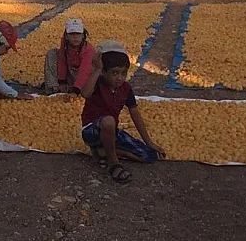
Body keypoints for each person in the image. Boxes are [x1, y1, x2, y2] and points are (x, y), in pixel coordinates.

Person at [80, 40, 166, 184]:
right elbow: (85, 94)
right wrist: (96, 70)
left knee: (149, 156)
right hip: (91, 131)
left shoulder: (125, 89)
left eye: (123, 73)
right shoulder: (97, 83)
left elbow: (135, 114)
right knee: (108, 121)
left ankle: (103, 151)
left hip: (111, 131)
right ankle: (113, 163)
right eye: (114, 73)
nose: (119, 78)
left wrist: (149, 142)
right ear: (104, 72)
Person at [44, 19, 95, 95]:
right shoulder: (65, 46)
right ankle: (54, 90)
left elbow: (85, 70)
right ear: (66, 36)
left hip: (85, 80)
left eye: (78, 34)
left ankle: (80, 91)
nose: (75, 37)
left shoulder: (88, 50)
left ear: (83, 36)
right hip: (71, 76)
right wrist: (62, 81)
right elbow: (62, 61)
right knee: (52, 53)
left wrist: (76, 89)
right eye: (72, 34)